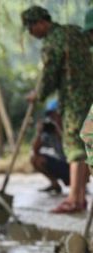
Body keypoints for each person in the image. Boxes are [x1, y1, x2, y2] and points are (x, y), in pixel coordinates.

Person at [22, 5, 93, 213]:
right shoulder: (74, 31)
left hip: (75, 98)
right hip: (90, 96)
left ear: (41, 22)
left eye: (30, 27)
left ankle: (74, 199)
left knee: (75, 144)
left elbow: (49, 77)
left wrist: (38, 95)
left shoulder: (53, 43)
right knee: (85, 141)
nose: (30, 33)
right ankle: (78, 197)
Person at [31, 99, 69, 194]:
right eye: (50, 115)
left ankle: (81, 185)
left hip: (75, 165)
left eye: (54, 114)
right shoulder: (50, 128)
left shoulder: (70, 124)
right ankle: (55, 185)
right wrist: (39, 133)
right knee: (35, 159)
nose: (52, 117)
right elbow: (35, 150)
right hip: (62, 164)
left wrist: (59, 132)